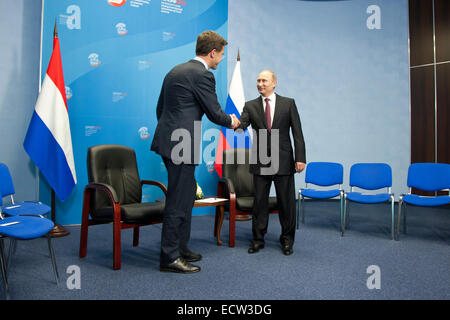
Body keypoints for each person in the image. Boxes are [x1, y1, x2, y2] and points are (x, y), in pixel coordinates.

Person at [151, 31, 240, 273]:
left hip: (171, 141)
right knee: (178, 200)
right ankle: (169, 258)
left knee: (187, 193)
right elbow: (214, 113)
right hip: (182, 144)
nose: (220, 60)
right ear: (212, 53)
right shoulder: (203, 75)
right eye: (220, 55)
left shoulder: (175, 70)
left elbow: (160, 109)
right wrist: (234, 121)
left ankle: (180, 248)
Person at [237, 70, 306, 255]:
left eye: (264, 80)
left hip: (283, 160)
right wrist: (234, 124)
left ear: (274, 83)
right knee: (259, 203)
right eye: (258, 80)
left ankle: (287, 239)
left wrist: (300, 158)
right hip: (261, 160)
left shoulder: (288, 103)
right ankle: (258, 239)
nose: (260, 83)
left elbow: (297, 133)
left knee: (286, 203)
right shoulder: (250, 105)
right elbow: (242, 124)